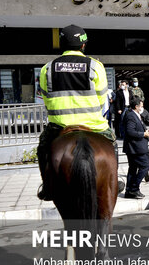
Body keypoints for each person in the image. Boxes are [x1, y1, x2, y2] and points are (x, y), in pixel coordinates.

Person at [37, 24, 120, 200]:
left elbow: (45, 97)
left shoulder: (47, 68)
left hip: (59, 126)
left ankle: (47, 186)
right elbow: (101, 97)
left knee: (43, 146)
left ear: (61, 44)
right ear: (83, 45)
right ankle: (115, 179)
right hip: (93, 124)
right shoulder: (95, 66)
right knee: (112, 143)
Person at [122, 98, 149, 199]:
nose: (142, 108)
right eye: (141, 106)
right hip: (135, 147)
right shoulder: (131, 115)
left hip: (136, 146)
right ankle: (134, 189)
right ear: (136, 106)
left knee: (133, 169)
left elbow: (137, 128)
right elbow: (130, 131)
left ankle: (129, 191)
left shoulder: (136, 115)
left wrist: (147, 131)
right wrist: (143, 134)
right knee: (145, 166)